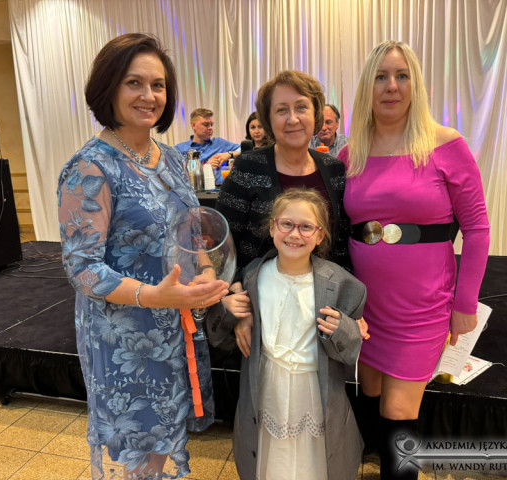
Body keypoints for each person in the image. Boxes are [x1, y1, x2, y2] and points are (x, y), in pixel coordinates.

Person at [57, 33, 229, 480]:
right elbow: (82, 269)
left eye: (158, 85)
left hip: (175, 324)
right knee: (140, 452)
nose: (148, 96)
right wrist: (156, 296)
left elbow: (190, 230)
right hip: (126, 337)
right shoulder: (91, 167)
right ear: (109, 87)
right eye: (134, 83)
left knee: (164, 442)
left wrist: (205, 270)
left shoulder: (170, 158)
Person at [338, 41, 490, 479]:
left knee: (398, 412)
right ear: (367, 87)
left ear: (415, 84)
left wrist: (465, 304)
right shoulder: (351, 153)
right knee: (370, 398)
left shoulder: (446, 145)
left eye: (402, 76)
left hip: (422, 306)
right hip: (365, 306)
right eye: (381, 77)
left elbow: (477, 228)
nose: (392, 86)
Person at [207, 187, 367, 480]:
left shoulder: (345, 286)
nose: (295, 234)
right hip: (268, 388)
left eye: (306, 227)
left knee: (314, 464)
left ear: (320, 235)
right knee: (272, 462)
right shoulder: (253, 276)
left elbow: (351, 351)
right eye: (286, 224)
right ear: (272, 228)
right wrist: (229, 311)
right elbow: (220, 339)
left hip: (315, 392)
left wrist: (343, 328)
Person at [216, 70, 352, 275]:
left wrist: (343, 289)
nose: (293, 119)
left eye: (301, 107)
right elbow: (222, 240)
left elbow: (341, 244)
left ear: (315, 114)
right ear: (269, 120)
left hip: (323, 290)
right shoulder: (248, 166)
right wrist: (233, 285)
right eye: (281, 110)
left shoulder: (334, 170)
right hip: (256, 289)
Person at [174, 108, 240, 185]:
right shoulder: (179, 149)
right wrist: (207, 168)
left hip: (219, 189)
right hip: (194, 190)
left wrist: (229, 154)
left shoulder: (220, 143)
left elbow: (245, 149)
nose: (210, 128)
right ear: (193, 125)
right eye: (206, 124)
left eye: (212, 124)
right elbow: (176, 177)